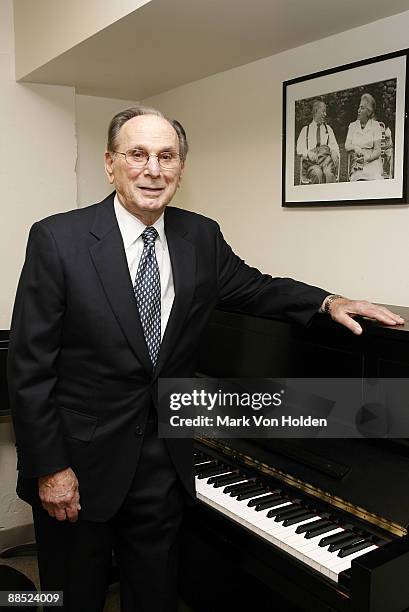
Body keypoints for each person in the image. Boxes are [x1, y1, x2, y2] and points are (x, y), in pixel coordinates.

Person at [7, 106, 403, 612]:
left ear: (181, 169)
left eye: (166, 156)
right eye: (138, 154)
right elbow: (29, 368)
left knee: (154, 594)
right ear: (111, 164)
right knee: (74, 596)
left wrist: (328, 302)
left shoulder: (201, 236)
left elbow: (257, 288)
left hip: (161, 461)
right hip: (78, 465)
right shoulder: (57, 239)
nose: (153, 169)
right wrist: (51, 468)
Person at [296, 100, 340, 184]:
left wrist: (334, 151)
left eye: (325, 112)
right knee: (317, 173)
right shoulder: (305, 130)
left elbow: (335, 146)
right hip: (312, 163)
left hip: (326, 161)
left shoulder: (328, 129)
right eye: (323, 111)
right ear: (316, 111)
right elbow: (299, 148)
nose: (325, 114)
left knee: (329, 174)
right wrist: (308, 153)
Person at [345, 93, 384, 181]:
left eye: (362, 108)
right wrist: (355, 148)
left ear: (369, 111)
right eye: (359, 107)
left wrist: (367, 158)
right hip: (357, 161)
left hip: (372, 160)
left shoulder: (375, 126)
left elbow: (377, 150)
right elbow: (347, 145)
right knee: (358, 178)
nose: (358, 110)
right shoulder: (352, 126)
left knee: (375, 177)